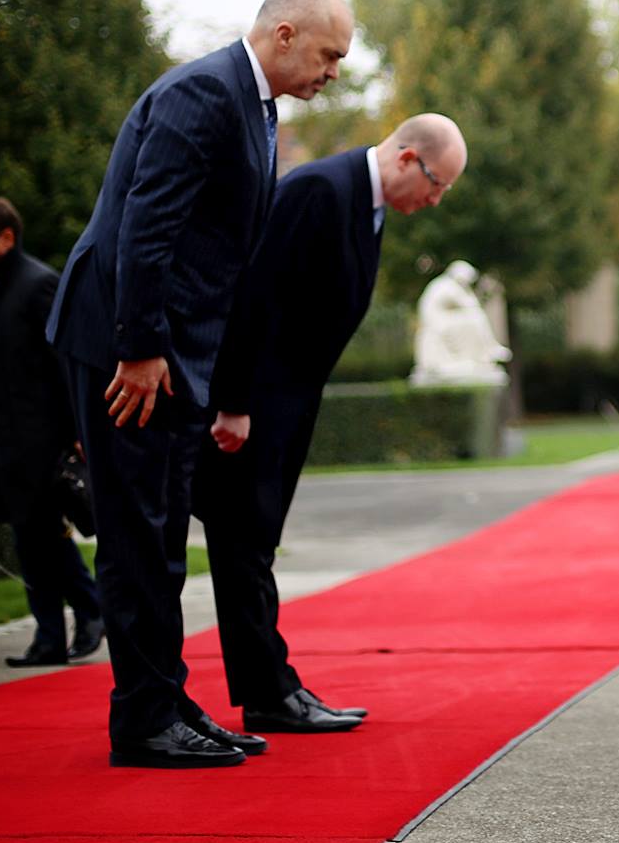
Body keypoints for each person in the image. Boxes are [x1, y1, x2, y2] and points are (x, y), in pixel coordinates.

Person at [47, 0, 354, 769]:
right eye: (329, 54)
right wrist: (141, 346)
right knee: (137, 534)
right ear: (284, 34)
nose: (333, 72)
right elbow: (147, 223)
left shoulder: (253, 104)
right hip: (130, 350)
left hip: (170, 354)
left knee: (161, 534)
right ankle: (144, 718)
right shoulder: (206, 92)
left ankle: (167, 700)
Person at [198, 114, 466, 734]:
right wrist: (234, 402)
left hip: (285, 403)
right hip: (253, 404)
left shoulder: (363, 202)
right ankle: (269, 693)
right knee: (243, 543)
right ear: (406, 158)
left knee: (254, 542)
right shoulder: (320, 189)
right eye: (436, 184)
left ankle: (272, 689)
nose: (435, 200)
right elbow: (255, 294)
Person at [0, 197, 102, 668]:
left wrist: (77, 431)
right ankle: (59, 630)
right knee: (34, 540)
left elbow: (63, 362)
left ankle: (75, 620)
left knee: (42, 537)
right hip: (9, 442)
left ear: (6, 237)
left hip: (40, 442)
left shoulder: (37, 283)